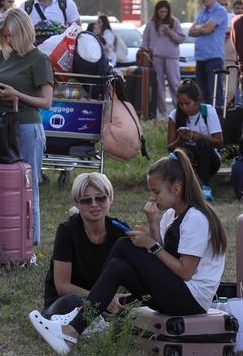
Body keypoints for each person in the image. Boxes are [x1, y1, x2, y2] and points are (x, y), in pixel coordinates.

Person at [28, 149, 227, 355]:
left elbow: (185, 271)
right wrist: (152, 223)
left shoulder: (195, 218)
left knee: (124, 246)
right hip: (176, 294)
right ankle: (74, 329)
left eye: (156, 192)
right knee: (119, 266)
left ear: (176, 189)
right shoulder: (170, 216)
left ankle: (76, 321)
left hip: (192, 300)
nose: (152, 197)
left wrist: (150, 244)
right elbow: (162, 262)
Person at [0, 8, 54, 246]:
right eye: (5, 36)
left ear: (24, 32)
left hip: (27, 126)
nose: (8, 41)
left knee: (28, 187)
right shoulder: (1, 56)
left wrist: (16, 94)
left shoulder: (39, 59)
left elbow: (46, 102)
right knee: (1, 184)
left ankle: (29, 242)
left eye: (12, 35)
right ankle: (4, 236)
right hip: (3, 126)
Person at [42, 172, 131, 317]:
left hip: (104, 302)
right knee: (74, 301)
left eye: (101, 198)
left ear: (110, 199)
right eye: (86, 200)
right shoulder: (67, 231)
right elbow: (62, 286)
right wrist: (102, 298)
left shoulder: (119, 230)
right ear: (77, 203)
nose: (94, 204)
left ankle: (106, 320)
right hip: (67, 303)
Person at [167, 80, 223, 201]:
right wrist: (180, 140)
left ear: (197, 100)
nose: (184, 107)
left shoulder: (208, 111)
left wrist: (199, 136)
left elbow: (219, 142)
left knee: (203, 143)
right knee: (179, 152)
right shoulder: (174, 115)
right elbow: (170, 148)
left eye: (187, 103)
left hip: (209, 161)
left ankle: (205, 188)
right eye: (181, 104)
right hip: (187, 160)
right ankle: (200, 187)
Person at [142, 0, 185, 116]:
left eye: (165, 11)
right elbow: (145, 39)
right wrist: (147, 51)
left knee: (174, 84)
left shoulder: (174, 22)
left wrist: (170, 32)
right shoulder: (151, 23)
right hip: (156, 58)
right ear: (156, 11)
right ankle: (163, 112)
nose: (163, 14)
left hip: (172, 57)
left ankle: (180, 109)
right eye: (161, 11)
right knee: (159, 86)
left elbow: (181, 39)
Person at [189, 0, 228, 106]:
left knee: (216, 94)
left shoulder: (220, 10)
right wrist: (202, 28)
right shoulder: (203, 11)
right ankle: (205, 121)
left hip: (213, 58)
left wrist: (201, 28)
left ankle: (219, 121)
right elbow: (191, 32)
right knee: (202, 94)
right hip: (201, 57)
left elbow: (207, 29)